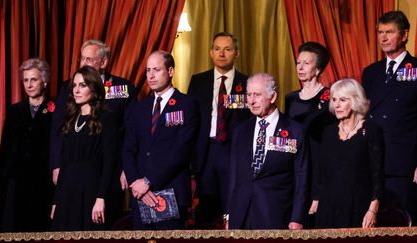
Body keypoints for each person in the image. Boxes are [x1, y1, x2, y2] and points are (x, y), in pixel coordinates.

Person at [50, 39, 136, 228]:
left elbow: (131, 132)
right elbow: (58, 132)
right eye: (82, 59)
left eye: (89, 59)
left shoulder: (123, 89)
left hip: (103, 173)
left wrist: (126, 168)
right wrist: (56, 166)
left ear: (103, 62)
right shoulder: (69, 93)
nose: (83, 64)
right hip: (71, 180)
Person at [362, 10, 417, 225]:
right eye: (380, 32)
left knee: (403, 224)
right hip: (372, 160)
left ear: (404, 35)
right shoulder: (370, 72)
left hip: (404, 162)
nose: (383, 38)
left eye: (389, 32)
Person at [123, 51, 200, 230]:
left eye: (156, 70)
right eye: (148, 70)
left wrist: (149, 181)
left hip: (170, 191)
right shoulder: (139, 108)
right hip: (140, 195)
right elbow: (128, 149)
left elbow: (181, 151)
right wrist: (136, 182)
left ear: (171, 71)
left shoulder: (187, 105)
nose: (150, 75)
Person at [226, 73, 309, 229]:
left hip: (276, 215)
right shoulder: (241, 131)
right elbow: (234, 176)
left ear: (272, 97)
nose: (251, 100)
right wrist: (229, 214)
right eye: (249, 94)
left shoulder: (295, 131)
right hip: (241, 216)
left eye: (257, 95)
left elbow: (302, 178)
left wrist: (297, 218)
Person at [187, 32, 250, 228]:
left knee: (232, 206)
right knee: (205, 210)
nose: (222, 54)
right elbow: (191, 120)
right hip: (205, 151)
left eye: (227, 49)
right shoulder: (198, 81)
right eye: (217, 49)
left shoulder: (247, 83)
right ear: (211, 53)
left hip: (233, 153)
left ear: (236, 53)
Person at [51, 66, 118, 231]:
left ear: (94, 88)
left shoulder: (106, 118)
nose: (76, 90)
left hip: (91, 189)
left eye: (82, 85)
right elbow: (64, 164)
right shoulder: (70, 119)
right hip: (67, 191)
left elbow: (110, 162)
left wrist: (101, 197)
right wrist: (56, 200)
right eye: (74, 85)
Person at [313, 79, 384, 228]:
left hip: (359, 206)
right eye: (334, 100)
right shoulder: (328, 132)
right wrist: (316, 200)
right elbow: (321, 172)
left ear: (355, 101)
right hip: (329, 207)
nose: (336, 105)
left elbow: (377, 174)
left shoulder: (371, 131)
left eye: (343, 100)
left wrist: (373, 210)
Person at [0, 58, 54, 232]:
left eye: (34, 80)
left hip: (43, 181)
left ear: (44, 81)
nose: (29, 85)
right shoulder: (14, 110)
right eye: (25, 80)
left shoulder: (56, 109)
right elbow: (5, 148)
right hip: (16, 181)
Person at [284, 42, 335, 226]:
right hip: (295, 165)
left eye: (306, 63)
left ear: (318, 68)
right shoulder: (290, 98)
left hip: (319, 166)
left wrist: (318, 193)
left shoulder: (330, 97)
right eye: (298, 62)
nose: (300, 67)